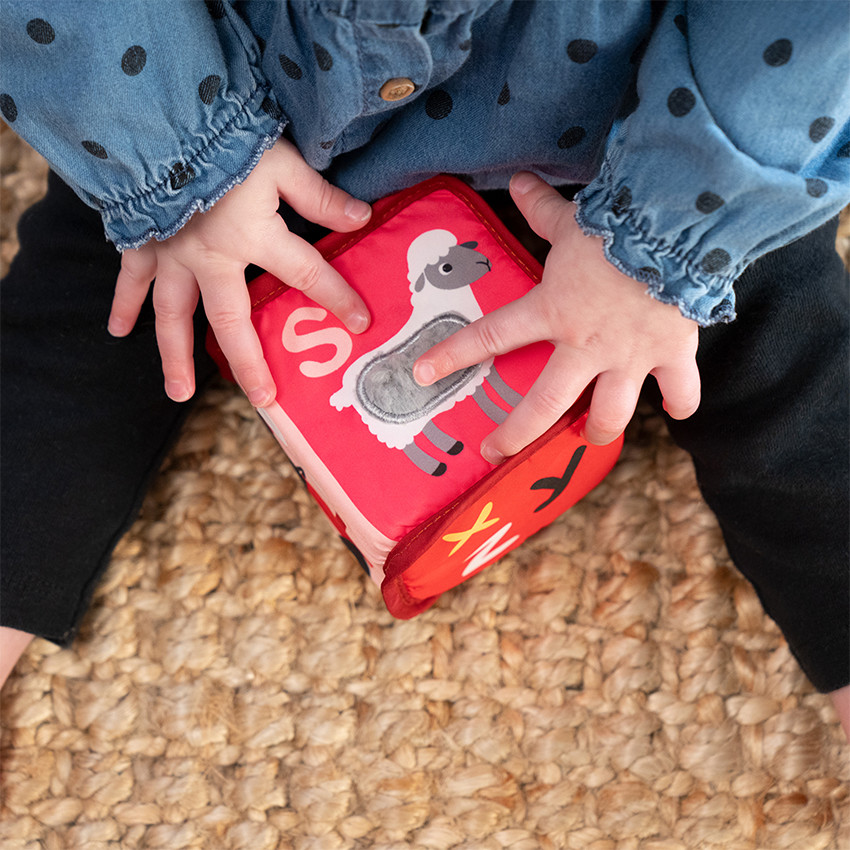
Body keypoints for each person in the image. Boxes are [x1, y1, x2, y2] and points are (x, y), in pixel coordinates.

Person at [1, 1, 847, 735]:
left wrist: (670, 239)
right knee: (78, 343)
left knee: (799, 383)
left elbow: (799, 36)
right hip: (231, 144)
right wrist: (171, 157)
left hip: (634, 177)